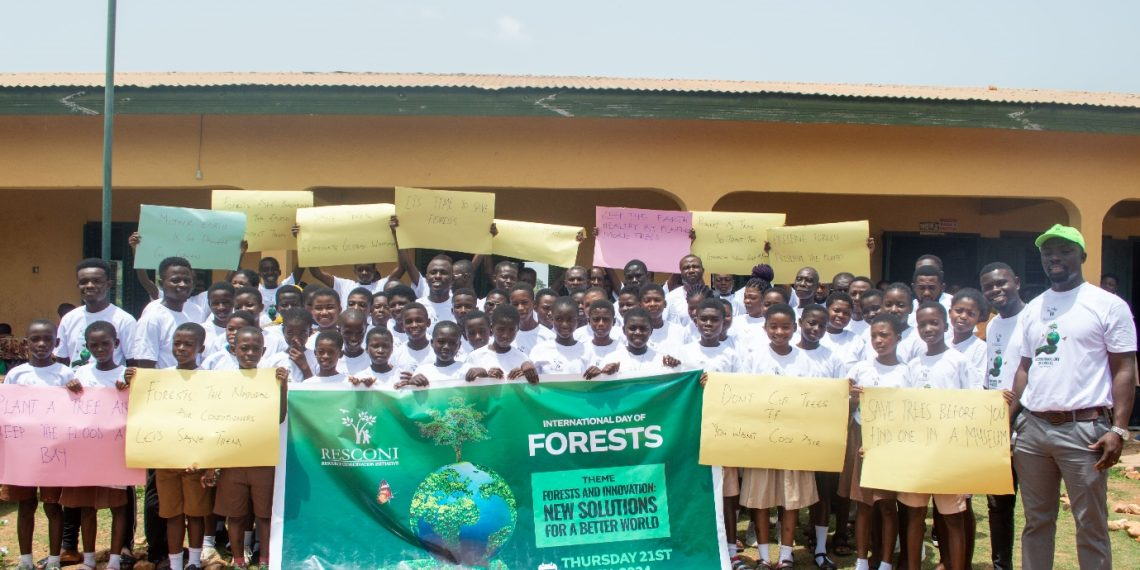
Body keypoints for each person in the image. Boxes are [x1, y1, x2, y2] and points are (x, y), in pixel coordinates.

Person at [1011, 224, 1137, 570]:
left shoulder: (1107, 305)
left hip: (1085, 431)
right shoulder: (1033, 308)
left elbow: (1125, 368)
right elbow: (1024, 367)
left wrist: (1120, 430)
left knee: (1091, 524)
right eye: (1048, 251)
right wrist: (1011, 419)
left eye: (1065, 250)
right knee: (1036, 521)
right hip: (1033, 431)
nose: (1055, 257)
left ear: (1082, 256)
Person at [739, 304, 832, 569]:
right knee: (761, 498)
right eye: (773, 326)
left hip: (795, 443)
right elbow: (741, 395)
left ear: (795, 327)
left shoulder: (806, 361)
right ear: (765, 327)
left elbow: (816, 400)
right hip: (761, 441)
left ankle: (787, 555)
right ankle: (766, 557)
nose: (779, 332)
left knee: (790, 500)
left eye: (786, 327)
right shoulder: (753, 358)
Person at [127, 322, 213, 570]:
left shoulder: (210, 381)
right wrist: (131, 381)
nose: (182, 348)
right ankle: (175, 563)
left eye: (188, 344)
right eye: (177, 343)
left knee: (195, 515)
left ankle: (194, 562)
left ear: (201, 347)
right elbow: (145, 410)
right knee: (172, 514)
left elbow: (214, 419)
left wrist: (208, 461)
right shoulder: (159, 378)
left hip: (196, 460)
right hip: (166, 460)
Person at [900, 302, 973, 570]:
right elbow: (904, 408)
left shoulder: (958, 361)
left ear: (945, 324)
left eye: (934, 323)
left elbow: (973, 404)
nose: (928, 329)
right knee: (914, 515)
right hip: (919, 453)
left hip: (949, 453)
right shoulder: (913, 365)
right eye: (922, 324)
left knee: (953, 518)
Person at [215, 327, 289, 570]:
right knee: (235, 515)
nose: (249, 353)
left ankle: (266, 559)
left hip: (263, 458)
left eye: (255, 349)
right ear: (233, 350)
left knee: (265, 514)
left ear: (263, 351)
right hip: (233, 458)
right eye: (243, 348)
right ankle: (238, 560)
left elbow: (279, 417)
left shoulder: (270, 379)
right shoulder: (222, 381)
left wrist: (283, 385)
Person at [1, 320, 71, 570]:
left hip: (53, 451)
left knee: (53, 505)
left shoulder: (65, 374)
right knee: (26, 504)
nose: (41, 344)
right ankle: (25, 560)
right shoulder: (16, 374)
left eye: (47, 339)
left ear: (56, 342)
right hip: (23, 453)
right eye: (35, 339)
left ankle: (53, 560)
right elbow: (7, 411)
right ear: (26, 343)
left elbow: (74, 409)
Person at [63, 321, 132, 570]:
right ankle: (89, 558)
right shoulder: (80, 375)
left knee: (118, 505)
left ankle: (114, 559)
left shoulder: (127, 374)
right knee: (86, 506)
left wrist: (128, 389)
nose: (100, 348)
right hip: (86, 453)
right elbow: (68, 407)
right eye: (94, 344)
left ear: (116, 343)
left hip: (115, 452)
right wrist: (70, 389)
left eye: (105, 343)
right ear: (87, 346)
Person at [842, 313, 908, 570]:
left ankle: (886, 561)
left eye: (885, 335)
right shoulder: (860, 369)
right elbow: (845, 408)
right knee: (864, 505)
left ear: (898, 338)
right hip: (862, 439)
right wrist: (853, 400)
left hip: (890, 443)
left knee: (888, 506)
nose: (878, 341)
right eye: (874, 336)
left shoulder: (906, 371)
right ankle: (861, 559)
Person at [978, 262, 1025, 570]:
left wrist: (1009, 415)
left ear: (1016, 282)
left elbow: (1031, 373)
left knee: (1033, 504)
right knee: (997, 502)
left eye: (1001, 283)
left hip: (1024, 421)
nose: (996, 290)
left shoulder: (1031, 319)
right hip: (995, 421)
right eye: (989, 287)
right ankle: (1001, 565)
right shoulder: (993, 324)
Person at [55, 258, 139, 369]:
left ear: (109, 284)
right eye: (83, 282)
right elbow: (62, 361)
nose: (89, 285)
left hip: (112, 385)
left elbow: (134, 363)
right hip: (75, 385)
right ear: (77, 285)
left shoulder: (124, 320)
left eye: (97, 281)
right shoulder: (68, 319)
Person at [131, 257, 198, 369]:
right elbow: (146, 366)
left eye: (187, 280)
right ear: (162, 284)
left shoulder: (191, 314)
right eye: (175, 280)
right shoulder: (152, 318)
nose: (182, 285)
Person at [588, 307, 680, 379]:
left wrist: (676, 368)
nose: (638, 332)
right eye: (632, 328)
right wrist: (603, 374)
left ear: (651, 331)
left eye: (643, 328)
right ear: (624, 330)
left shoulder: (662, 360)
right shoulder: (611, 359)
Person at [465, 305, 538, 383]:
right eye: (501, 329)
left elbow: (533, 386)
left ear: (517, 329)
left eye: (511, 330)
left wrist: (525, 376)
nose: (505, 335)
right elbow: (466, 386)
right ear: (492, 328)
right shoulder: (475, 356)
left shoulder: (523, 358)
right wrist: (485, 375)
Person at [398, 322, 469, 388]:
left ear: (459, 345)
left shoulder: (467, 370)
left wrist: (479, 375)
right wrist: (411, 384)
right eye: (441, 342)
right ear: (432, 343)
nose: (446, 347)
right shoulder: (422, 371)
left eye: (452, 343)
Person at [529, 297, 589, 375]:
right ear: (551, 319)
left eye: (570, 319)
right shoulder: (540, 350)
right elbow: (530, 379)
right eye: (559, 319)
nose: (565, 325)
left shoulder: (586, 351)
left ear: (577, 320)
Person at [820, 292, 867, 375]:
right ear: (826, 310)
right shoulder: (815, 336)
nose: (841, 315)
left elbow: (863, 371)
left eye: (846, 313)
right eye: (836, 310)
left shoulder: (856, 341)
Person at [638, 283, 688, 355]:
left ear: (665, 304)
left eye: (657, 300)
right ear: (640, 305)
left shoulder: (681, 332)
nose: (652, 304)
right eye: (647, 301)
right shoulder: (634, 333)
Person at [508, 284, 554, 354]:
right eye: (515, 304)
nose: (520, 308)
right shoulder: (507, 335)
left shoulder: (548, 337)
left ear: (534, 304)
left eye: (524, 303)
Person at [390, 302, 433, 373]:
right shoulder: (397, 354)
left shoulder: (437, 350)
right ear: (402, 326)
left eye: (419, 320)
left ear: (428, 322)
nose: (414, 325)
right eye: (409, 322)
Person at [665, 254, 705, 325]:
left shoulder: (713, 296)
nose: (691, 270)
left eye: (695, 266)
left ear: (703, 270)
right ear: (681, 273)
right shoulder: (670, 298)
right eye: (686, 268)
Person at [418, 255, 454, 322]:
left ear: (452, 279)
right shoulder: (417, 306)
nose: (438, 276)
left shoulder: (459, 307)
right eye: (433, 272)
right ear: (426, 278)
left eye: (443, 273)